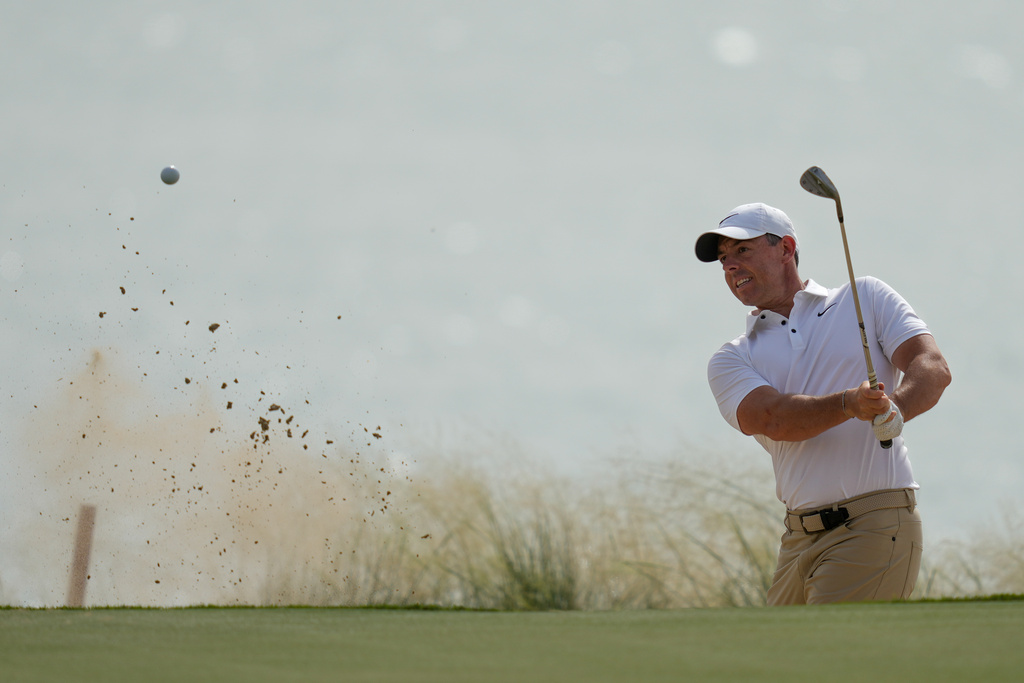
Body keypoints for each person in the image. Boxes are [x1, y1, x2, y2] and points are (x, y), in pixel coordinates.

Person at [695, 202, 951, 605]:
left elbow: (931, 366)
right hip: (797, 538)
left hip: (873, 524)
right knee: (775, 665)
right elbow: (774, 419)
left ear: (785, 248)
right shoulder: (732, 358)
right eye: (724, 259)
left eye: (742, 251)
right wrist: (849, 403)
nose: (730, 265)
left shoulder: (864, 296)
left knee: (826, 665)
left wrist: (897, 408)